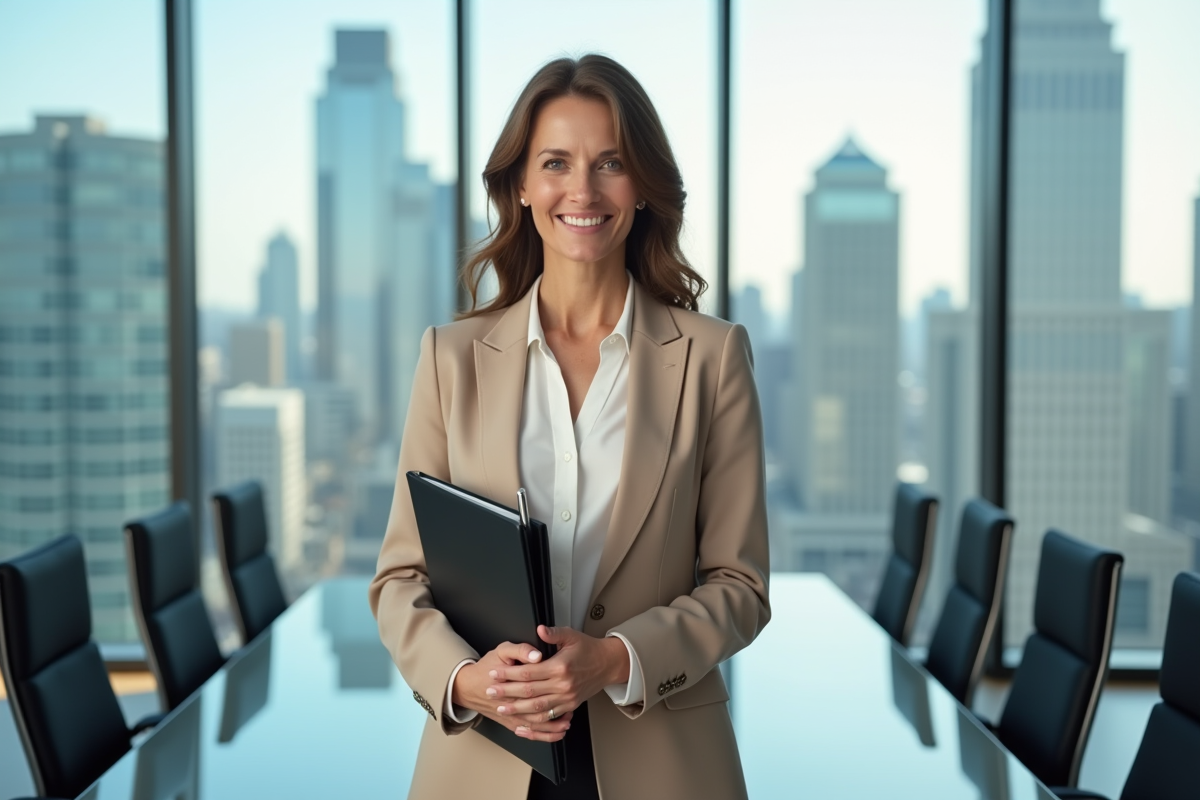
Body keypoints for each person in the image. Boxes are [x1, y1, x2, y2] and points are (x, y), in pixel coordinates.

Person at [369, 54, 770, 800]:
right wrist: (464, 679)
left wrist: (616, 657)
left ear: (643, 187)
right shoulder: (450, 360)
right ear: (521, 186)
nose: (582, 190)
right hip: (484, 761)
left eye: (610, 163)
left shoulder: (713, 359)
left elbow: (740, 584)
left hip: (665, 759)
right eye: (556, 162)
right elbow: (400, 578)